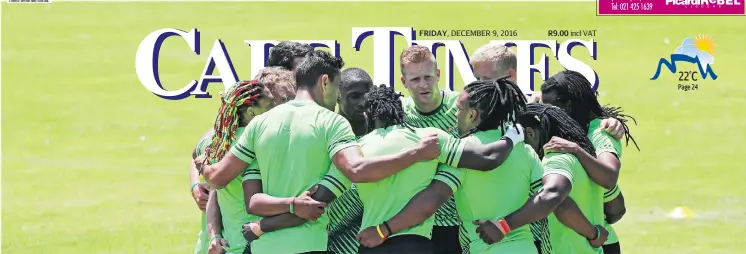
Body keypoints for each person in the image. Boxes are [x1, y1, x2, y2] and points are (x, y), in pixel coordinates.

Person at [198, 49, 443, 254]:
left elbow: (219, 178)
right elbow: (356, 170)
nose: (337, 97)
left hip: (264, 247)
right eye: (337, 87)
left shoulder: (260, 123)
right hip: (309, 245)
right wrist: (415, 154)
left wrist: (204, 165)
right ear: (324, 81)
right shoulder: (332, 123)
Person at [354, 84, 525, 253]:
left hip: (371, 243)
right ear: (401, 110)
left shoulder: (355, 148)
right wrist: (511, 138)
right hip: (414, 245)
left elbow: (336, 187)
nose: (456, 114)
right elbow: (488, 158)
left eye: (459, 109)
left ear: (367, 115)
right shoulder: (431, 138)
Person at [190, 67, 297, 254]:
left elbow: (197, 152)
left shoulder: (216, 143)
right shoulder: (257, 144)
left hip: (231, 245)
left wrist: (204, 163)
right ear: (250, 113)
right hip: (255, 243)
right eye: (269, 105)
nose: (276, 111)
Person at [539, 70, 639, 254]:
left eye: (552, 108)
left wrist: (576, 150)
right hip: (575, 240)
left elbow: (609, 177)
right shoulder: (566, 129)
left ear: (568, 106)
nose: (546, 114)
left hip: (599, 240)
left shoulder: (600, 132)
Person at [469, 43, 626, 140]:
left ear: (509, 75)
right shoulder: (468, 108)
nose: (479, 86)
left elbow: (578, 124)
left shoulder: (538, 107)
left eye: (486, 79)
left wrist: (611, 123)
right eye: (478, 79)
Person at [397, 45, 464, 254]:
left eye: (428, 77)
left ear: (438, 75)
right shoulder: (399, 114)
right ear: (403, 82)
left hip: (461, 222)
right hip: (417, 224)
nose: (423, 85)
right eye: (415, 80)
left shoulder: (462, 107)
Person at [517, 103, 610, 254]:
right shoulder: (585, 159)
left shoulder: (554, 160)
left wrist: (593, 233)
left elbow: (557, 201)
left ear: (530, 133)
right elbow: (617, 206)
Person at [326, 67, 374, 254]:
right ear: (338, 96)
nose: (363, 102)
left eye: (368, 95)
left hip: (373, 237)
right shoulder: (326, 134)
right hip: (330, 238)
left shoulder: (383, 135)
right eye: (354, 96)